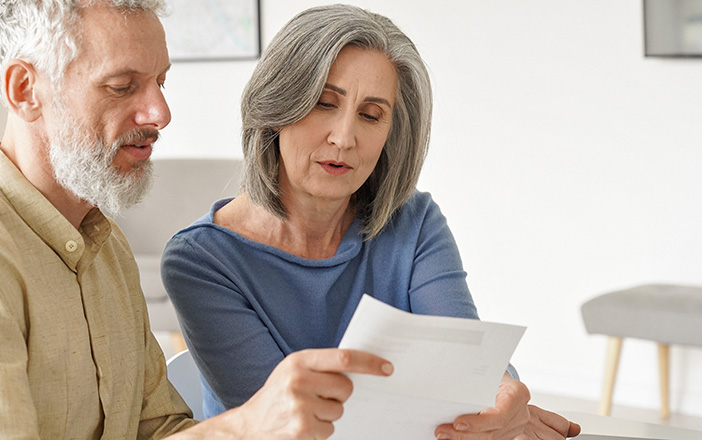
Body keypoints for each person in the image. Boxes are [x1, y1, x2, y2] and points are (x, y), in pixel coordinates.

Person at [161, 4, 582, 439]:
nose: (344, 138)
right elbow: (288, 428)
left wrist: (499, 398)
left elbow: (468, 361)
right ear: (277, 107)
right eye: (324, 104)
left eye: (371, 114)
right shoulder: (200, 260)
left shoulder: (415, 223)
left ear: (391, 132)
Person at [0, 1, 394, 439]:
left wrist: (255, 425)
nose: (160, 114)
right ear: (25, 90)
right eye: (121, 86)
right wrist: (247, 424)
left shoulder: (106, 247)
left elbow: (158, 430)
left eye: (160, 82)